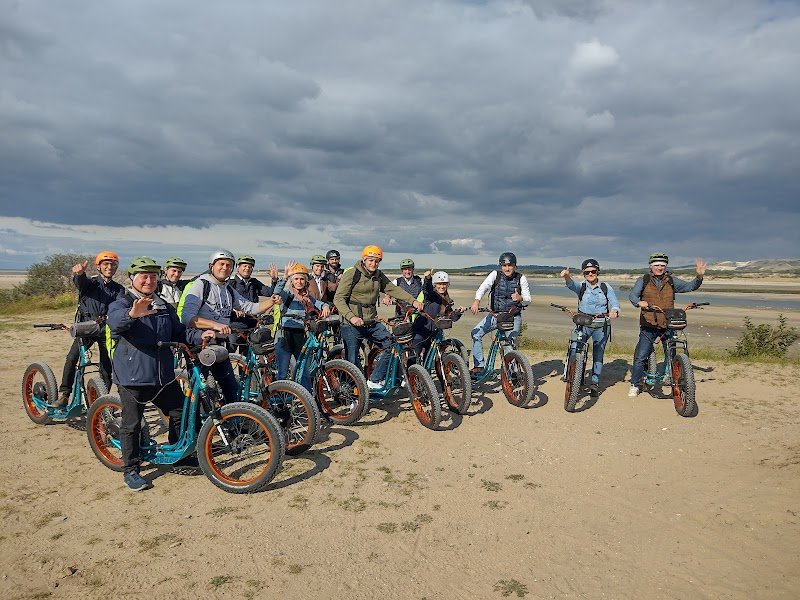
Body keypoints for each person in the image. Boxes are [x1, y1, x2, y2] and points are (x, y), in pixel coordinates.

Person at [106, 257, 215, 491]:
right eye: (144, 276)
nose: (149, 281)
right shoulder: (122, 302)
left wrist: (200, 336)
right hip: (134, 376)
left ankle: (180, 456)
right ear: (133, 278)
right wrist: (132, 315)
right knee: (132, 424)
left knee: (179, 413)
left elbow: (179, 332)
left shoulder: (163, 304)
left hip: (163, 376)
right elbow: (115, 323)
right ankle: (131, 470)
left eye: (153, 277)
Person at [179, 250, 282, 404]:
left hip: (220, 345)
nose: (225, 268)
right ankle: (200, 426)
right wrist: (216, 325)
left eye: (229, 265)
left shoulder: (227, 288)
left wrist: (272, 301)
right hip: (200, 344)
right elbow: (187, 317)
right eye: (221, 264)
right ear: (211, 266)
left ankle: (233, 423)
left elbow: (250, 307)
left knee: (230, 388)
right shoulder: (201, 285)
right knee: (205, 392)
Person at [333, 245, 424, 389]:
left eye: (376, 261)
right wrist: (351, 317)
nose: (373, 264)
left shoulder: (378, 275)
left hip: (370, 321)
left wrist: (413, 301)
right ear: (364, 260)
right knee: (352, 360)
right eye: (370, 260)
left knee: (391, 345)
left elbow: (393, 289)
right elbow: (338, 299)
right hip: (351, 323)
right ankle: (352, 395)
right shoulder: (352, 274)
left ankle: (375, 379)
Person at [627, 252, 706, 397]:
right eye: (657, 265)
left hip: (667, 323)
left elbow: (690, 286)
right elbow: (633, 295)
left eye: (662, 265)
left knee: (671, 353)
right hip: (648, 323)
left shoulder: (671, 280)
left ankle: (672, 379)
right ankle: (635, 384)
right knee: (641, 356)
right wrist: (639, 302)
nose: (660, 268)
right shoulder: (643, 280)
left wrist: (699, 277)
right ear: (651, 266)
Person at [56, 251, 125, 407]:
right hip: (86, 326)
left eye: (113, 265)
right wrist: (79, 274)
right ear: (98, 267)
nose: (109, 267)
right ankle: (65, 394)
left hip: (105, 329)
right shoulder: (90, 283)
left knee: (106, 364)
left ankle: (102, 400)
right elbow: (80, 282)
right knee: (72, 358)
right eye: (105, 264)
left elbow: (120, 306)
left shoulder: (118, 289)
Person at [560, 259, 620, 396]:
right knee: (575, 349)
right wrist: (566, 276)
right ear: (583, 274)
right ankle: (575, 377)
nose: (590, 274)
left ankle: (594, 383)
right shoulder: (581, 286)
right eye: (587, 272)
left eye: (593, 271)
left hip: (601, 326)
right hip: (583, 324)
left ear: (597, 271)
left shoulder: (605, 287)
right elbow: (570, 285)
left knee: (598, 355)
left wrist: (614, 311)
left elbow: (615, 303)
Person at [469, 252, 531, 377]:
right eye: (504, 265)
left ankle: (511, 374)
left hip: (512, 317)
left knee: (510, 345)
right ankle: (479, 366)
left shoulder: (521, 278)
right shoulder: (495, 275)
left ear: (515, 265)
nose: (507, 268)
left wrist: (520, 298)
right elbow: (484, 287)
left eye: (510, 265)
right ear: (500, 266)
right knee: (476, 333)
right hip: (495, 315)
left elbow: (528, 299)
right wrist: (477, 300)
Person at [275, 264, 331, 391]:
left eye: (302, 279)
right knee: (282, 372)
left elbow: (318, 303)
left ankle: (307, 398)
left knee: (304, 369)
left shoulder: (307, 297)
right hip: (285, 334)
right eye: (296, 279)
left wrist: (325, 306)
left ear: (306, 281)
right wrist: (284, 277)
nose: (299, 282)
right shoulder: (287, 294)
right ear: (292, 281)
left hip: (301, 335)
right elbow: (276, 292)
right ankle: (279, 401)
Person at [412, 270, 466, 359]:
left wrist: (459, 312)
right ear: (435, 285)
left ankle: (426, 372)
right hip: (421, 330)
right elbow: (426, 289)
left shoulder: (447, 300)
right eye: (439, 284)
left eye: (444, 284)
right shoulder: (430, 296)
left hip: (434, 333)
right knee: (415, 355)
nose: (442, 286)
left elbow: (452, 317)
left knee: (429, 358)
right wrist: (428, 278)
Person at [230, 255, 280, 332]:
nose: (247, 268)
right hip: (236, 325)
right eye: (245, 266)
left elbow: (269, 292)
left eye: (250, 267)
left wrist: (274, 280)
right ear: (238, 267)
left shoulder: (254, 282)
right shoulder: (231, 283)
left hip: (253, 324)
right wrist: (233, 309)